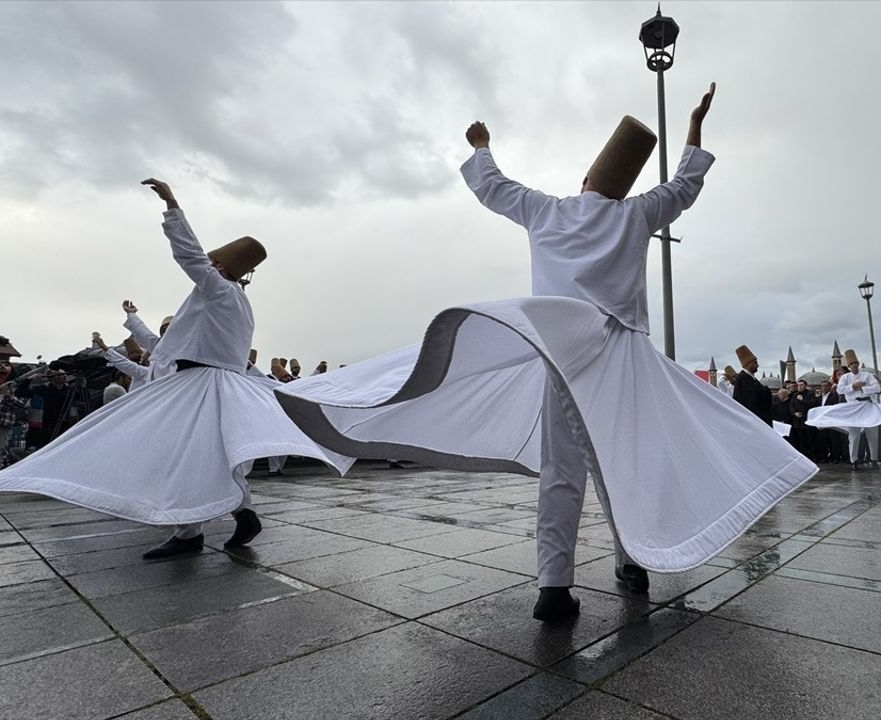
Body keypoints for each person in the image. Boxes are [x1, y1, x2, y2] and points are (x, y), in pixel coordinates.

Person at [276, 83, 817, 622]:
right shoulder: (636, 215)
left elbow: (493, 187)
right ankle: (634, 563)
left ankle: (553, 587)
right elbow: (685, 184)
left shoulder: (549, 211)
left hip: (562, 350)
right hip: (623, 360)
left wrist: (482, 145)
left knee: (563, 471)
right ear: (621, 187)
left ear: (585, 178)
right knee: (621, 466)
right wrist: (696, 124)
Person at [0, 178, 353, 557]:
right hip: (211, 382)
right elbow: (163, 346)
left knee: (177, 451)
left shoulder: (218, 289)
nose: (209, 264)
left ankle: (199, 527)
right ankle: (230, 514)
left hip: (200, 382)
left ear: (221, 265)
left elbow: (189, 257)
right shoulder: (233, 302)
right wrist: (133, 322)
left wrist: (172, 207)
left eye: (214, 261)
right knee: (205, 453)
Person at [804, 349, 881, 470]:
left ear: (858, 364)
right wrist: (853, 386)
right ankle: (854, 461)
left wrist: (863, 388)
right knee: (854, 436)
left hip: (868, 405)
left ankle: (874, 459)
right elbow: (839, 390)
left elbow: (877, 388)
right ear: (849, 366)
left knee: (872, 433)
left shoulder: (867, 375)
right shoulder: (846, 378)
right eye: (852, 364)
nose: (854, 366)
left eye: (856, 363)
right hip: (854, 407)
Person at [732, 345, 773, 426]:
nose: (757, 365)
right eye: (755, 363)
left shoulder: (752, 379)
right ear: (748, 364)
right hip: (754, 421)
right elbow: (751, 401)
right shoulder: (743, 379)